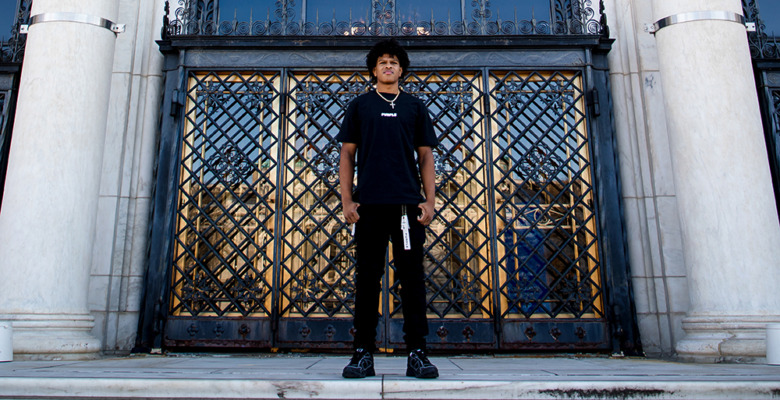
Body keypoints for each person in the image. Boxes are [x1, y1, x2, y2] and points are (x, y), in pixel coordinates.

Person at [337, 38, 439, 379]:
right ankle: (362, 353)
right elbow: (347, 154)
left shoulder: (414, 107)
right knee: (367, 280)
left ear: (401, 69)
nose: (388, 66)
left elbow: (425, 155)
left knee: (412, 281)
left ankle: (417, 353)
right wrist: (348, 199)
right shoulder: (360, 106)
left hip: (407, 209)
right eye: (382, 62)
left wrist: (430, 199)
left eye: (394, 61)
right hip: (369, 207)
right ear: (373, 69)